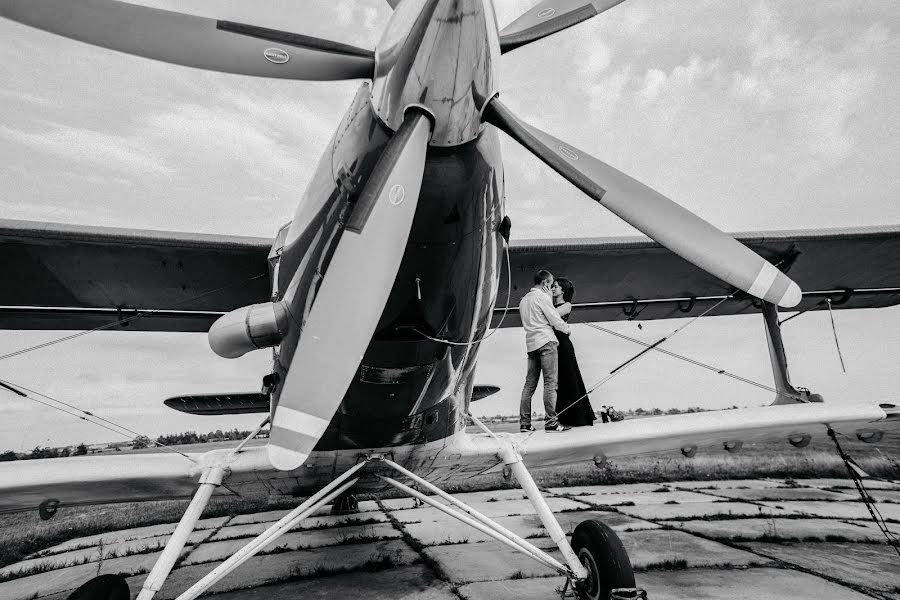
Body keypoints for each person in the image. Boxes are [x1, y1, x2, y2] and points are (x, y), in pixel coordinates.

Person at [519, 270, 572, 432]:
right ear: (544, 283)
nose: (550, 288)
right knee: (550, 383)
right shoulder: (542, 297)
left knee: (529, 385)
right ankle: (551, 422)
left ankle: (525, 424)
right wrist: (567, 329)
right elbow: (554, 319)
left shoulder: (523, 301)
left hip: (531, 344)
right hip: (546, 342)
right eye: (550, 284)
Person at [551, 278, 596, 427]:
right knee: (559, 382)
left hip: (563, 345)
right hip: (553, 344)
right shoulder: (549, 305)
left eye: (556, 286)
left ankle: (578, 418)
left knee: (570, 378)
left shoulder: (567, 305)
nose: (553, 288)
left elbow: (549, 317)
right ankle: (564, 418)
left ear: (563, 290)